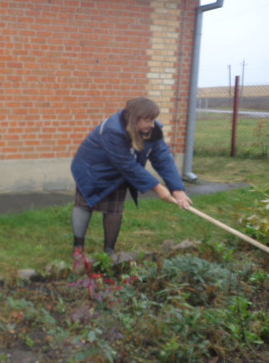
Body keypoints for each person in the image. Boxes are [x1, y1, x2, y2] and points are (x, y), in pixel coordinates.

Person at [69, 97, 192, 272]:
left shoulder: (153, 131)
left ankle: (109, 252)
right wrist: (157, 188)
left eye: (153, 119)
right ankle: (78, 249)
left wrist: (177, 189)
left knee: (114, 209)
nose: (152, 124)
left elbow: (162, 158)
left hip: (118, 171)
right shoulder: (112, 130)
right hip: (91, 168)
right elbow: (127, 165)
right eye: (148, 120)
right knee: (85, 204)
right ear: (134, 118)